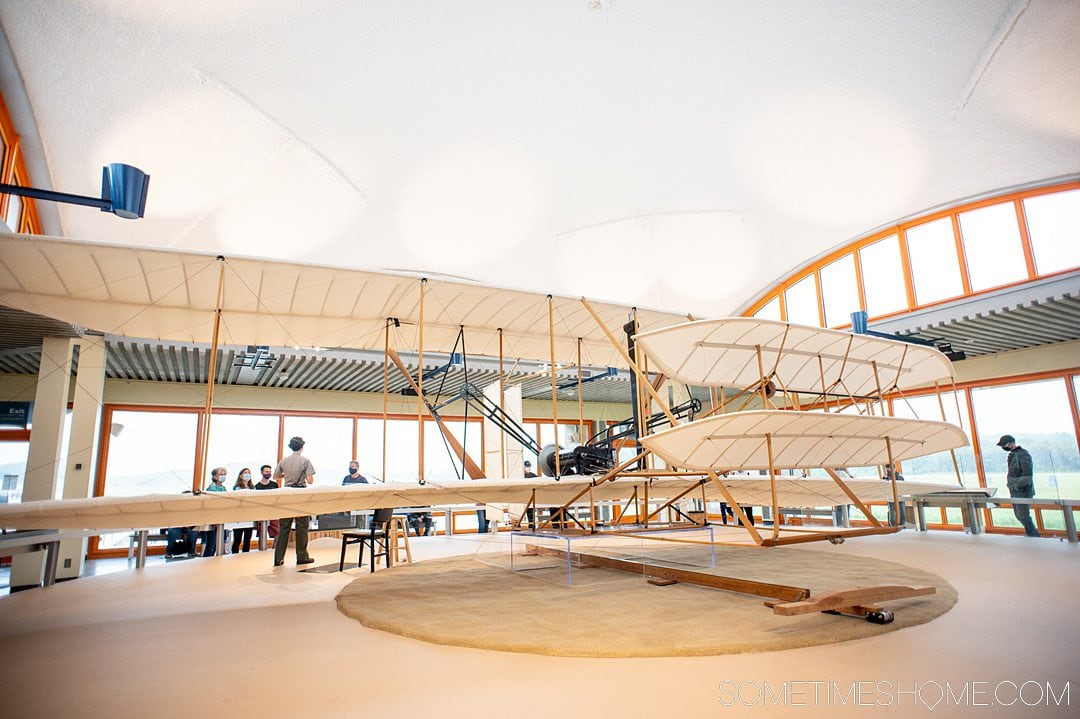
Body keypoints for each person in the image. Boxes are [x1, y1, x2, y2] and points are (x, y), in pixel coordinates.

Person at [273, 436, 317, 567]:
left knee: (284, 527)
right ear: (302, 447)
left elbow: (275, 476)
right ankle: (302, 556)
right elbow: (310, 481)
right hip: (300, 494)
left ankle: (278, 558)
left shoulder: (284, 461)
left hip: (287, 494)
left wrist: (286, 476)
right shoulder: (305, 461)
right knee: (302, 526)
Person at [997, 434, 1039, 537]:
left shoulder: (1023, 454)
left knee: (1023, 515)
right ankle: (1031, 534)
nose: (1004, 447)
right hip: (1015, 491)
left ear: (1011, 444)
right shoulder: (1013, 455)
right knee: (1018, 515)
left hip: (1023, 491)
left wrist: (1016, 485)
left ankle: (1034, 536)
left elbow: (1027, 475)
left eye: (1005, 445)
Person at [230, 468, 255, 553]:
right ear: (241, 476)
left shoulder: (252, 487)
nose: (247, 474)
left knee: (247, 539)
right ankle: (234, 554)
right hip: (239, 516)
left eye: (249, 473)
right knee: (237, 539)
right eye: (245, 473)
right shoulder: (237, 488)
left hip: (249, 516)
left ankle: (246, 555)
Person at [254, 464, 279, 545]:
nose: (268, 473)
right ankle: (261, 549)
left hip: (273, 511)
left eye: (270, 472)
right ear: (262, 472)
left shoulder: (274, 485)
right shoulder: (257, 486)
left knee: (277, 531)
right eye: (266, 471)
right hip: (262, 512)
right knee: (261, 532)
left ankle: (274, 548)